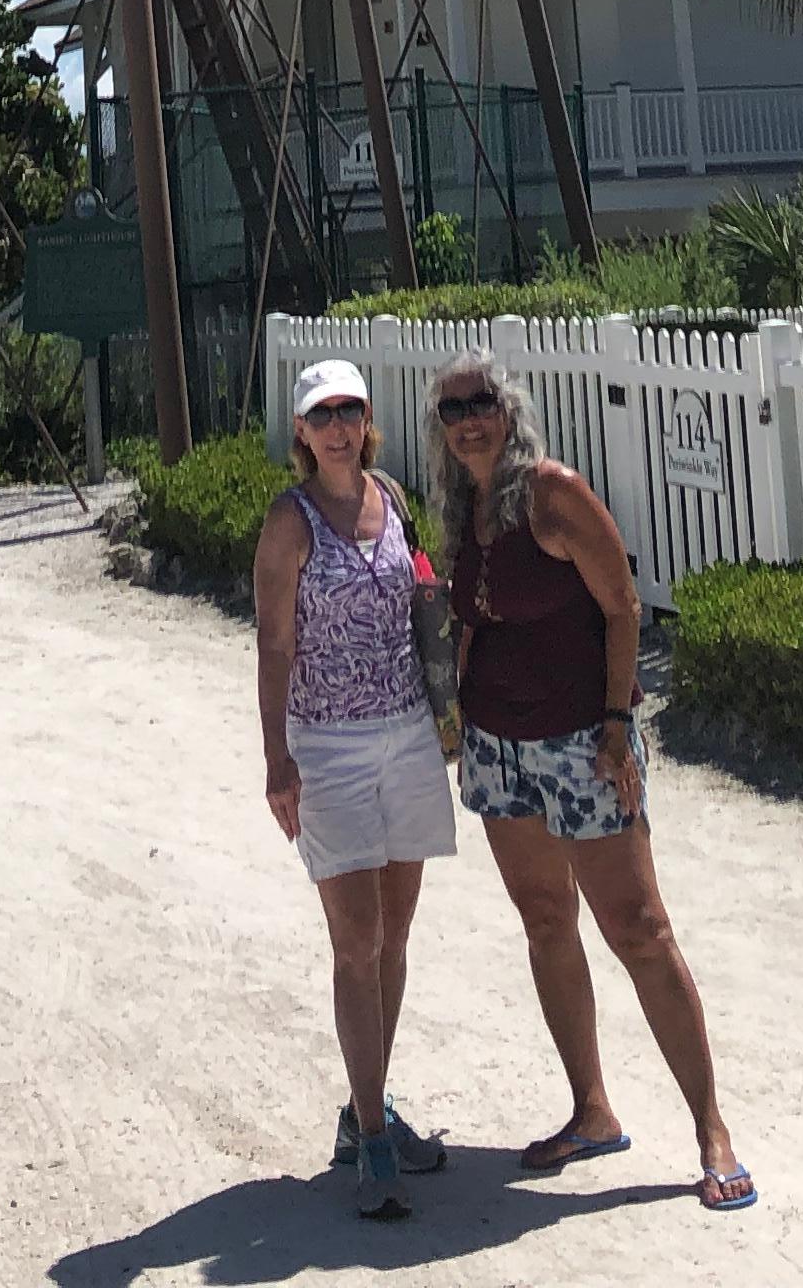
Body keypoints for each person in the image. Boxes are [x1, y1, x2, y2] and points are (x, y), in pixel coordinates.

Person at [431, 347, 755, 1215]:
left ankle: (711, 1131)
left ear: (509, 408)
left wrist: (618, 726)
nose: (469, 418)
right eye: (452, 407)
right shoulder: (461, 508)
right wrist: (455, 717)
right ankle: (592, 1110)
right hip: (500, 749)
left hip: (583, 742)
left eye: (482, 401)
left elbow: (622, 606)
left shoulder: (550, 492)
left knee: (640, 929)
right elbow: (469, 623)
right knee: (545, 921)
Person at [255, 356, 457, 1223]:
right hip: (329, 749)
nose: (338, 426)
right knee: (357, 941)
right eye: (322, 414)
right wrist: (277, 761)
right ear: (301, 431)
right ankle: (374, 1135)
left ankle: (362, 1106)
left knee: (398, 933)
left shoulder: (393, 497)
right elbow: (272, 645)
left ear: (367, 420)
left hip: (407, 733)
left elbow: (422, 602)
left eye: (350, 410)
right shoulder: (289, 523)